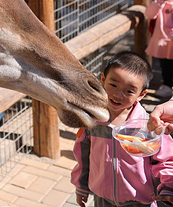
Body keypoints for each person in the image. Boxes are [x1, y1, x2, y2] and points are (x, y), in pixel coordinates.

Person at [71, 52, 173, 207]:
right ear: (103, 80)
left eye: (129, 91)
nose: (119, 94)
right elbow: (83, 156)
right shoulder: (92, 122)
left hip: (140, 201)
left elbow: (167, 159)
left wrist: (168, 187)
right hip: (102, 198)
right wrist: (81, 186)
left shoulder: (149, 125)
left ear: (141, 94)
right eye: (113, 85)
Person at [147, 0, 173, 96]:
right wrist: (159, 2)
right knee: (165, 64)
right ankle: (167, 85)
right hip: (163, 40)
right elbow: (150, 14)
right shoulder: (158, 2)